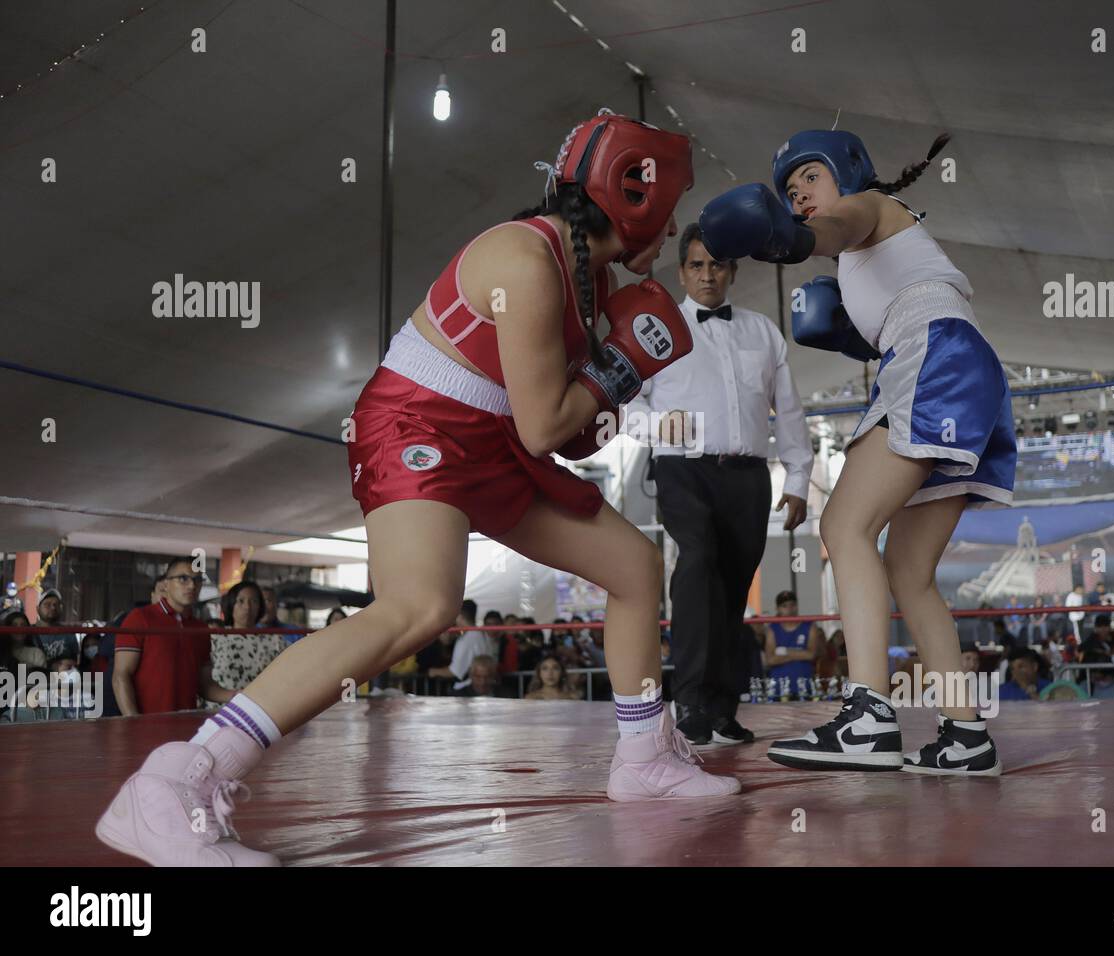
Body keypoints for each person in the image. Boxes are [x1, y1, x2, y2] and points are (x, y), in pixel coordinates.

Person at [96, 111, 739, 868]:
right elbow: (548, 428)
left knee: (634, 567)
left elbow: (572, 434)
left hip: (493, 441)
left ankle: (643, 760)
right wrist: (621, 365)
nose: (673, 237)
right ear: (636, 200)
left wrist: (614, 373)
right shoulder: (526, 261)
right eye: (668, 212)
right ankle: (179, 780)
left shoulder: (590, 280)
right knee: (420, 607)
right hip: (418, 425)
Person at [705, 127, 1015, 775]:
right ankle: (964, 735)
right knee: (910, 572)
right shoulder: (869, 263)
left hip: (937, 356)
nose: (798, 197)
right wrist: (852, 334)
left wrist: (779, 237)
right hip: (952, 365)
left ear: (847, 172)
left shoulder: (867, 208)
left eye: (808, 180)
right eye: (789, 193)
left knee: (843, 524)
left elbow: (831, 230)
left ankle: (869, 718)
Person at [624, 221, 813, 748]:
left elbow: (790, 410)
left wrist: (798, 476)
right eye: (696, 265)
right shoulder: (656, 329)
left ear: (733, 269)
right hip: (682, 467)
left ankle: (721, 708)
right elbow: (626, 400)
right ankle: (687, 701)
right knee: (698, 560)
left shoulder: (762, 331)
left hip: (749, 475)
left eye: (717, 265)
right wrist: (659, 427)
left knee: (732, 591)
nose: (708, 275)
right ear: (681, 270)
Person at [112, 558, 235, 715]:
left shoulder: (201, 629)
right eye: (183, 579)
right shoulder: (140, 618)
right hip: (146, 725)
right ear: (166, 584)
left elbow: (205, 685)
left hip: (185, 726)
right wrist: (133, 721)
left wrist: (237, 695)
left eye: (197, 580)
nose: (192, 585)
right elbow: (121, 676)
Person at [210, 581, 286, 693]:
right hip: (220, 708)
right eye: (241, 601)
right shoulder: (215, 639)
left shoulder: (275, 641)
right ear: (231, 605)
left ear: (260, 607)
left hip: (259, 707)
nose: (247, 607)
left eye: (254, 601)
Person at [763, 590, 824, 704]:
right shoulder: (772, 628)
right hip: (778, 689)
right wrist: (800, 653)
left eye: (792, 605)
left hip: (804, 687)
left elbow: (811, 655)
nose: (789, 609)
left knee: (808, 720)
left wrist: (784, 651)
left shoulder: (809, 625)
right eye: (784, 606)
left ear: (796, 606)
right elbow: (770, 660)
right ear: (778, 609)